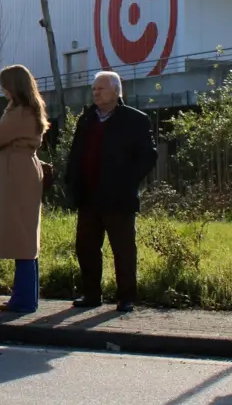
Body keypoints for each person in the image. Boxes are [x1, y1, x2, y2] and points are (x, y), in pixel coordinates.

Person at [63, 70, 157, 312]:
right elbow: (76, 154)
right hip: (89, 195)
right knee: (86, 247)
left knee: (123, 249)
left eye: (100, 88)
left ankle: (126, 297)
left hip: (118, 197)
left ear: (116, 91)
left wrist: (127, 181)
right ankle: (91, 294)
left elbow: (148, 156)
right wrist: (71, 181)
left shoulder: (135, 119)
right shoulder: (86, 119)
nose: (95, 92)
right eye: (93, 89)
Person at [0, 65, 48, 313]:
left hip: (17, 173)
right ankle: (26, 295)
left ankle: (24, 298)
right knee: (26, 235)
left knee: (21, 235)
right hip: (23, 170)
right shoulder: (29, 109)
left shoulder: (18, 112)